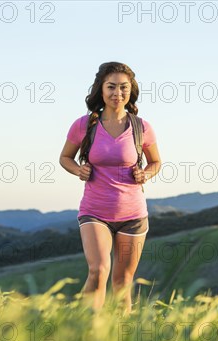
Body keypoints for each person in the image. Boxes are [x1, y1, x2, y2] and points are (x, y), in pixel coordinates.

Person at [59, 62, 162, 314]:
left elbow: (156, 162)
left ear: (131, 91)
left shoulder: (142, 127)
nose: (118, 93)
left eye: (123, 87)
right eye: (111, 87)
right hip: (95, 211)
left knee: (122, 283)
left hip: (133, 215)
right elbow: (65, 158)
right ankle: (85, 329)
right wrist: (78, 170)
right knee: (98, 270)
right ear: (101, 90)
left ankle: (119, 339)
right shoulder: (84, 125)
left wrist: (145, 174)